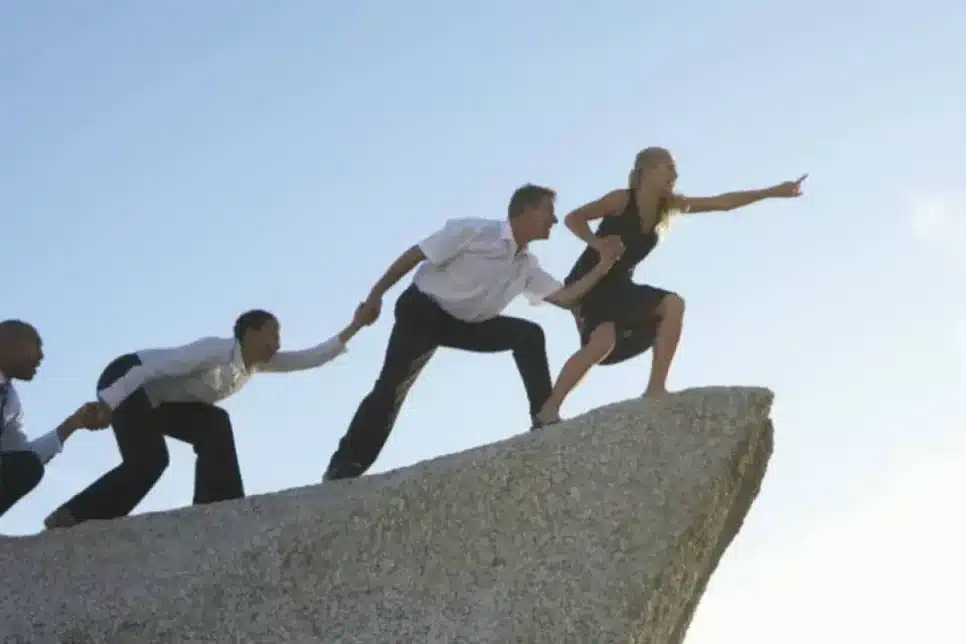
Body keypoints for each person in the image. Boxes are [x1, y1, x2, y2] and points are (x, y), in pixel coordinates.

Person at [322, 183, 624, 482]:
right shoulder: (475, 231)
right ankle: (345, 466)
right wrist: (376, 295)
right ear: (528, 210)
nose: (554, 220)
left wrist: (604, 264)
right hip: (423, 312)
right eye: (549, 211)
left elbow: (566, 298)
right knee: (391, 388)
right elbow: (415, 255)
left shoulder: (527, 266)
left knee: (529, 335)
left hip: (467, 325)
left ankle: (543, 418)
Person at [533, 147, 807, 425]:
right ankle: (549, 410)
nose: (675, 175)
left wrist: (774, 191)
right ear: (647, 171)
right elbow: (574, 218)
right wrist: (598, 243)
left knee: (672, 304)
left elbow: (722, 203)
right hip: (591, 282)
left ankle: (655, 389)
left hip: (620, 285)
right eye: (668, 167)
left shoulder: (668, 207)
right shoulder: (621, 200)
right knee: (601, 343)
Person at [43, 304, 376, 529]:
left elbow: (308, 358)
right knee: (151, 460)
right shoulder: (215, 350)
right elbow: (152, 368)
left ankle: (217, 505)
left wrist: (355, 326)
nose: (278, 343)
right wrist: (109, 403)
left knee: (215, 424)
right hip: (129, 378)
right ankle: (74, 516)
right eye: (272, 333)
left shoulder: (253, 365)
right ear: (249, 333)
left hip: (160, 401)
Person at [1, 320, 111, 519]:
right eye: (36, 344)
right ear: (8, 342)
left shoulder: (10, 402)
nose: (41, 356)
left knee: (27, 467)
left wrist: (72, 424)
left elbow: (21, 458)